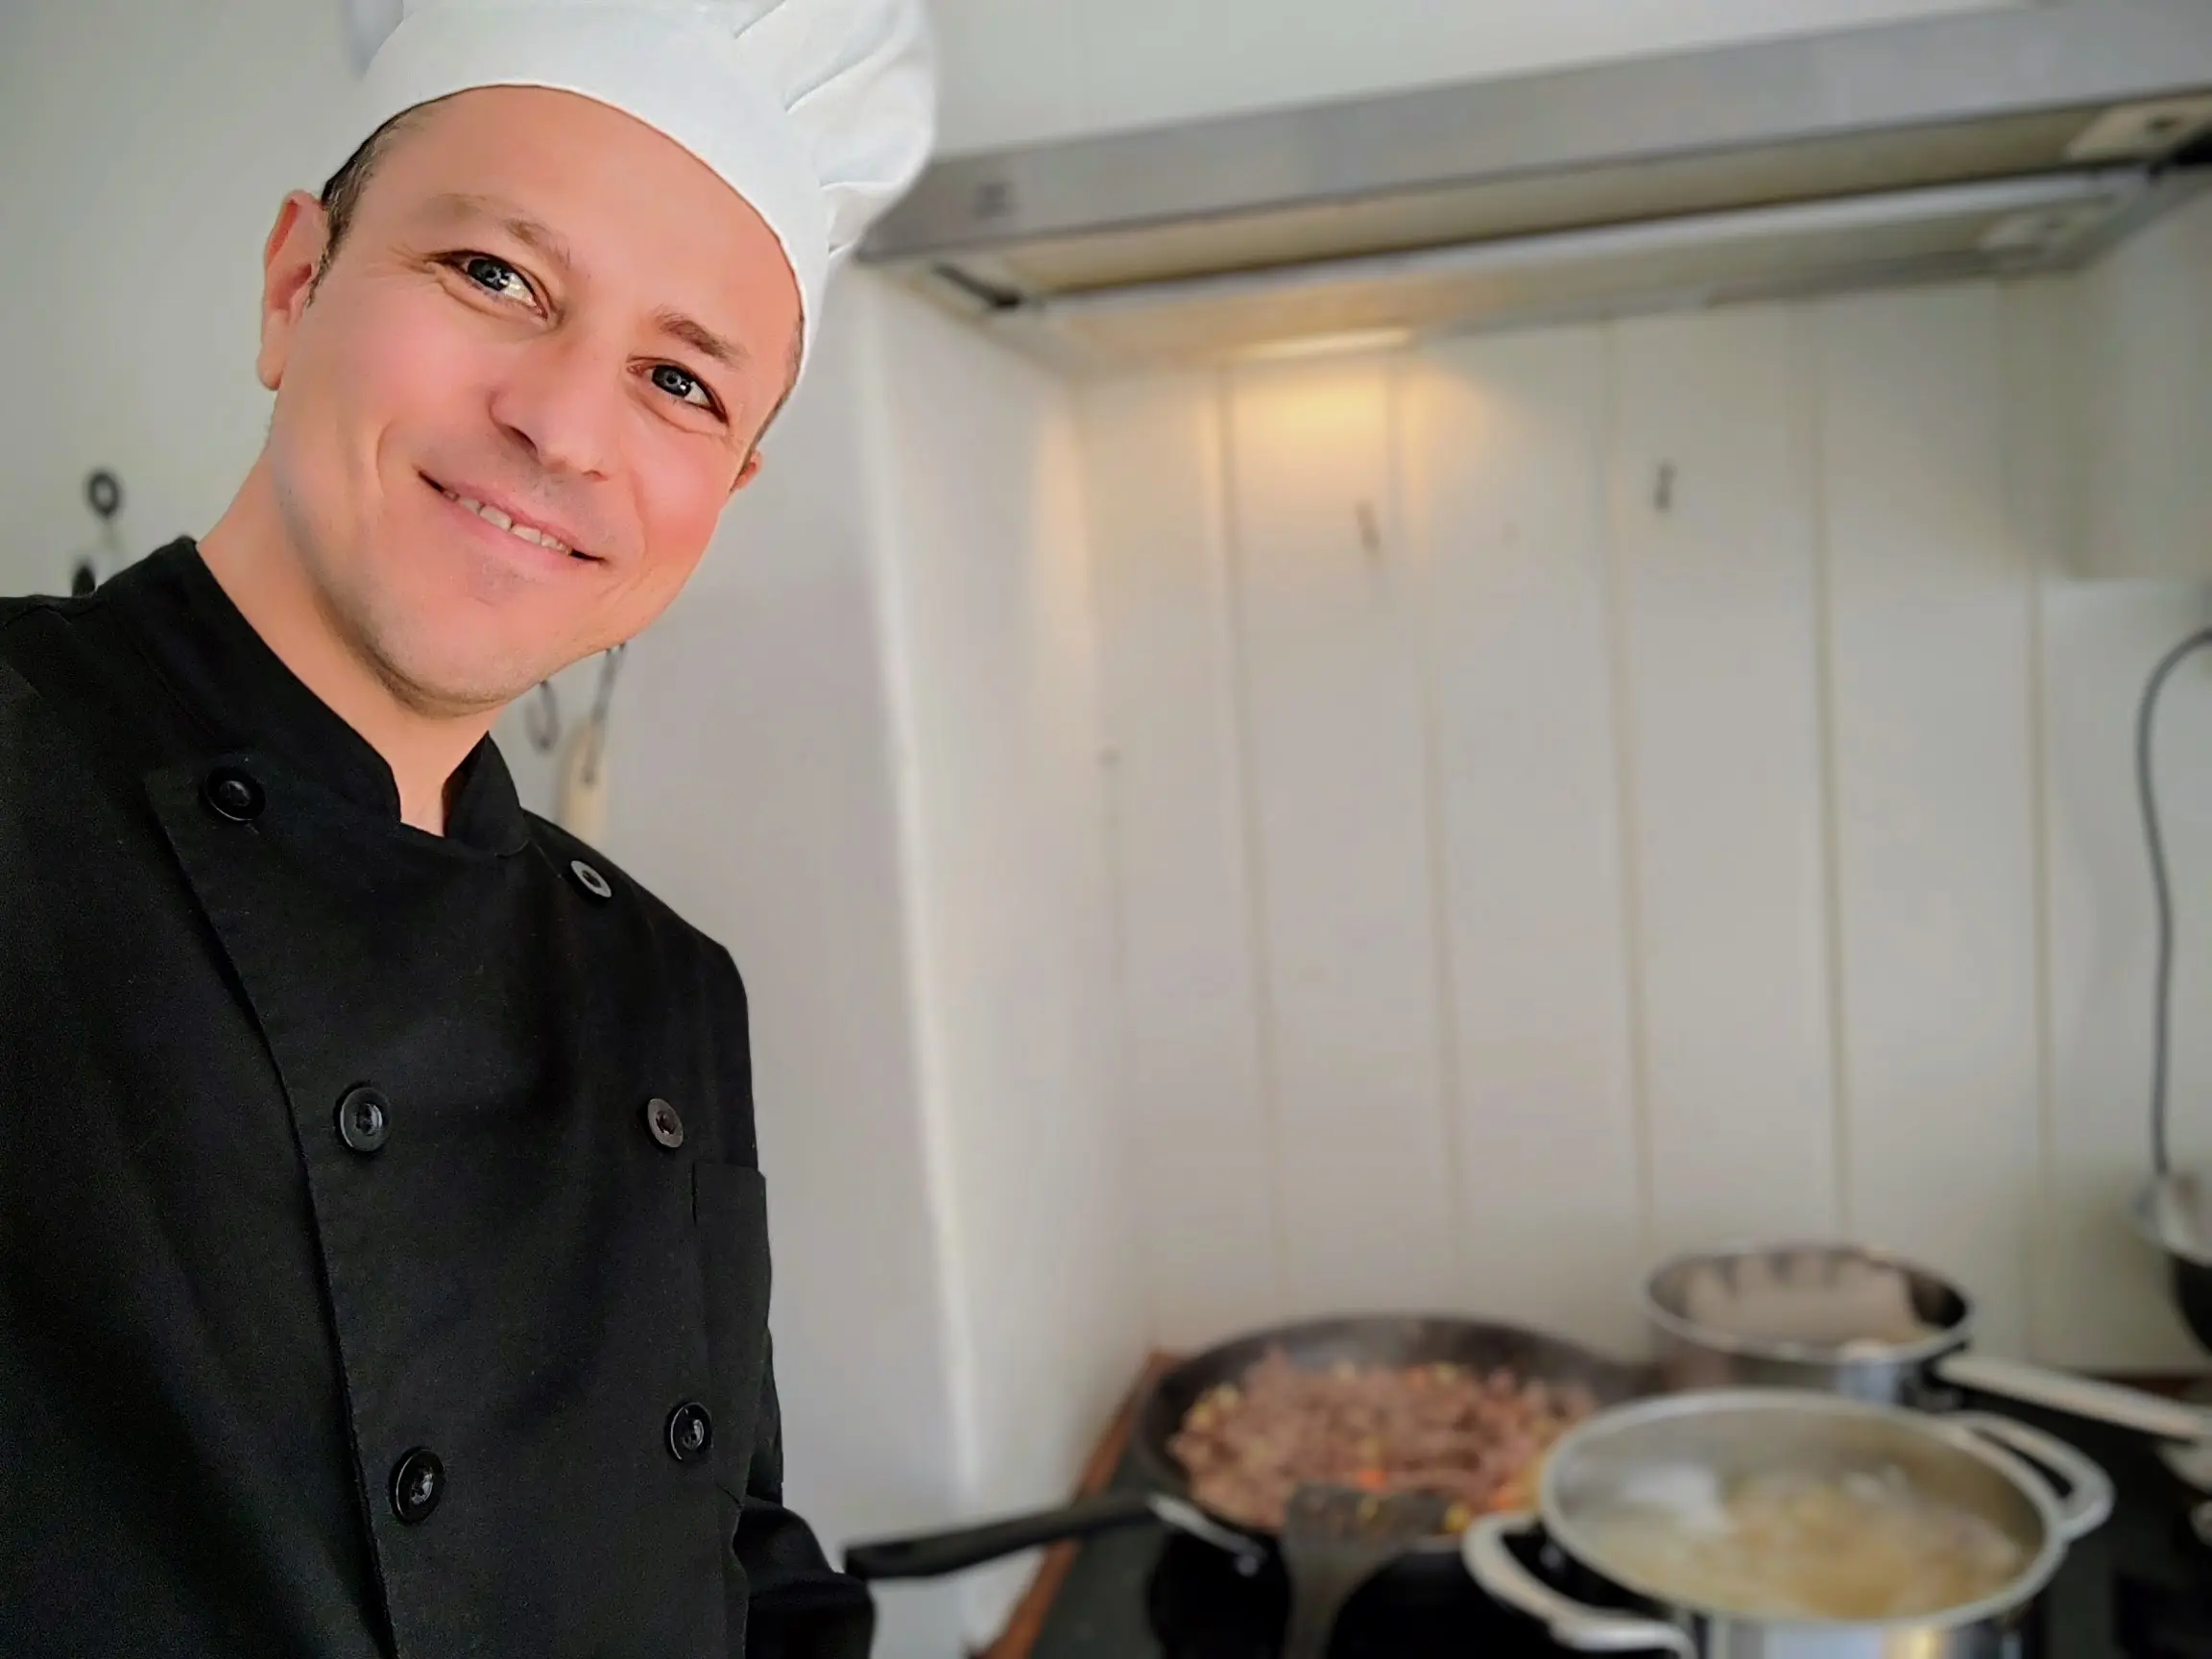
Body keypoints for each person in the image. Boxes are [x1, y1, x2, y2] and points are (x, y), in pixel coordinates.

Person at [0, 2, 932, 1653]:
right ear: (296, 283)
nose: (564, 427)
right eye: (496, 276)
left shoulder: (670, 987)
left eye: (679, 381)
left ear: (727, 490)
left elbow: (726, 1559)